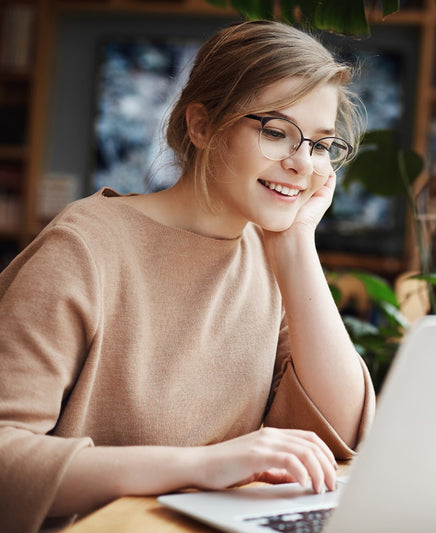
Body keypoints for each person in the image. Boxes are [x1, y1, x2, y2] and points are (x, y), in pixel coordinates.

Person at [0, 19, 375, 533]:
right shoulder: (85, 246)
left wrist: (296, 245)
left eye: (319, 144)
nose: (303, 164)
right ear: (201, 126)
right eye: (277, 132)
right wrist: (200, 466)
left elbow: (339, 434)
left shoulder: (271, 256)